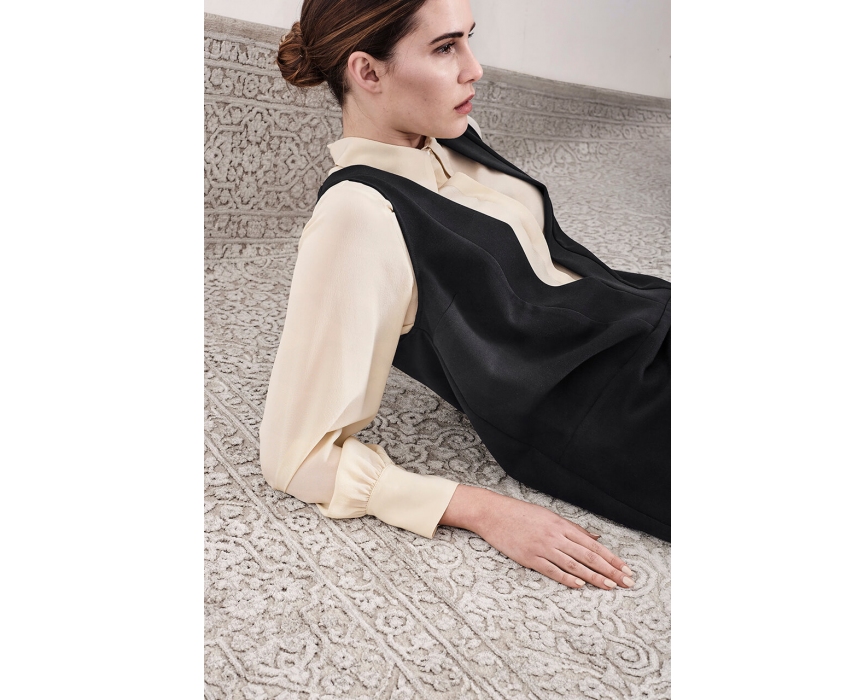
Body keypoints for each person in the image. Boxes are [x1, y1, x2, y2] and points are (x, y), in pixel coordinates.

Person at [261, 0, 670, 592]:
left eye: (468, 40)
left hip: (643, 323)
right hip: (620, 413)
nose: (474, 69)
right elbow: (295, 456)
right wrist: (482, 509)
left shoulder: (447, 135)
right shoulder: (358, 215)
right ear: (368, 72)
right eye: (445, 48)